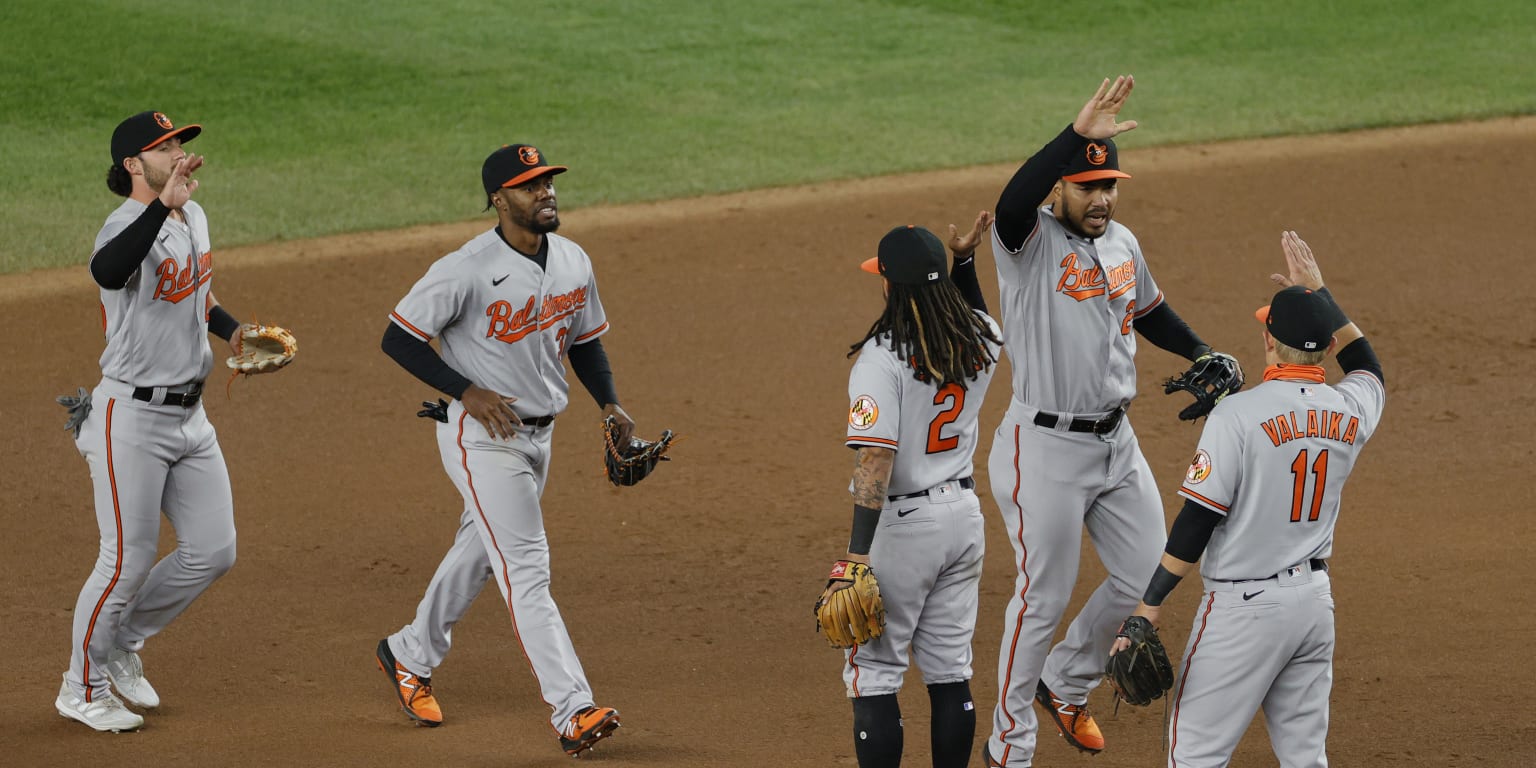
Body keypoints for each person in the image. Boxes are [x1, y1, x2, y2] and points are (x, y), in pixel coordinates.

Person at [980, 76, 1244, 766]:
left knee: (1144, 576)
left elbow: (1149, 310)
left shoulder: (1122, 241)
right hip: (1041, 449)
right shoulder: (1025, 242)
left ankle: (1064, 683)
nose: (1101, 200)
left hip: (1115, 445)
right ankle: (1008, 749)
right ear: (1058, 191)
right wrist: (1077, 131)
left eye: (1110, 187)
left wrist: (1199, 349)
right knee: (1042, 599)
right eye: (1086, 188)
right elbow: (1011, 197)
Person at [374, 143, 633, 757]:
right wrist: (465, 389)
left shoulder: (572, 259)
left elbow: (585, 343)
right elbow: (398, 338)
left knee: (481, 551)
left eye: (547, 181)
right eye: (529, 185)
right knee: (527, 569)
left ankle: (408, 651)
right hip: (480, 438)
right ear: (499, 198)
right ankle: (572, 710)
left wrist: (611, 404)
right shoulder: (465, 268)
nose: (545, 192)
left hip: (540, 436)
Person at [1110, 232, 1384, 767]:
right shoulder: (1351, 410)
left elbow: (1197, 520)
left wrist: (1150, 605)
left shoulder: (1236, 415)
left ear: (1267, 339)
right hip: (1313, 606)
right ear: (1328, 347)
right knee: (1306, 757)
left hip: (1244, 613)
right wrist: (1322, 294)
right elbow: (1369, 368)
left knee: (1193, 755)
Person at [57, 111, 284, 732]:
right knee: (124, 560)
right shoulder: (127, 222)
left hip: (192, 415)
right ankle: (80, 687)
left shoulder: (192, 216)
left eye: (181, 142)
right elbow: (108, 272)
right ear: (135, 165)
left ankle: (121, 643)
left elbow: (196, 292)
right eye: (166, 147)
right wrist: (162, 202)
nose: (181, 152)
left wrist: (234, 330)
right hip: (128, 417)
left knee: (214, 549)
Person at [820, 215, 1003, 768]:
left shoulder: (881, 357)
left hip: (904, 530)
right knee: (950, 671)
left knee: (874, 675)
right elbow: (979, 315)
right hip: (964, 518)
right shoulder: (983, 340)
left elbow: (875, 459)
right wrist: (966, 263)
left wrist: (855, 558)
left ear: (888, 286)